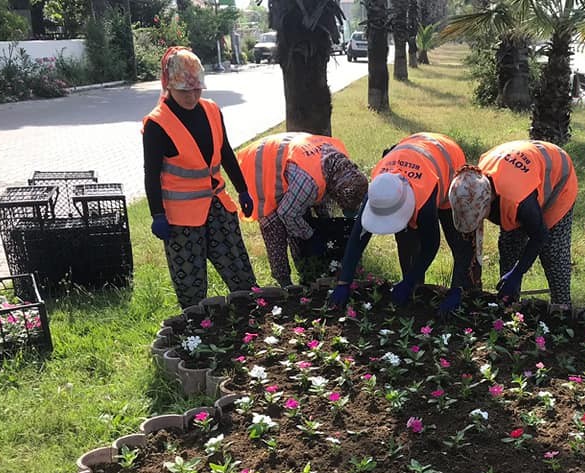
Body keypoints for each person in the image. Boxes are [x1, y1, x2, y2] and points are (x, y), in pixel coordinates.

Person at [142, 46, 257, 309]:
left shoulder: (212, 110)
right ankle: (195, 332)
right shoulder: (157, 124)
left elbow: (225, 152)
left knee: (240, 272)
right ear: (168, 85)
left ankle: (254, 321)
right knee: (191, 285)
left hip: (218, 205)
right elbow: (151, 175)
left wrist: (242, 189)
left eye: (197, 90)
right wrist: (157, 214)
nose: (192, 96)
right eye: (184, 91)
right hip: (181, 219)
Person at [330, 132, 471, 312]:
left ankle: (462, 290)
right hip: (414, 152)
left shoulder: (424, 201)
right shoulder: (379, 191)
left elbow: (431, 245)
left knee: (459, 240)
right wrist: (344, 281)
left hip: (449, 161)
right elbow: (357, 237)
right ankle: (416, 290)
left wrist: (408, 281)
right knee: (407, 242)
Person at [448, 140, 578, 307]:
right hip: (526, 175)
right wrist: (458, 286)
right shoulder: (472, 183)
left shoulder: (517, 199)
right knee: (509, 246)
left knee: (553, 254)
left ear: (490, 201)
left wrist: (517, 272)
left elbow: (540, 235)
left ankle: (563, 307)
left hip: (558, 182)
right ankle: (509, 304)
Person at [237, 132, 368, 288]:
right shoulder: (308, 181)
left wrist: (323, 224)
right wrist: (311, 236)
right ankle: (284, 282)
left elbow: (320, 195)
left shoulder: (340, 167)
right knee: (275, 230)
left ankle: (304, 273)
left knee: (302, 222)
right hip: (261, 167)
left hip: (291, 162)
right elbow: (287, 214)